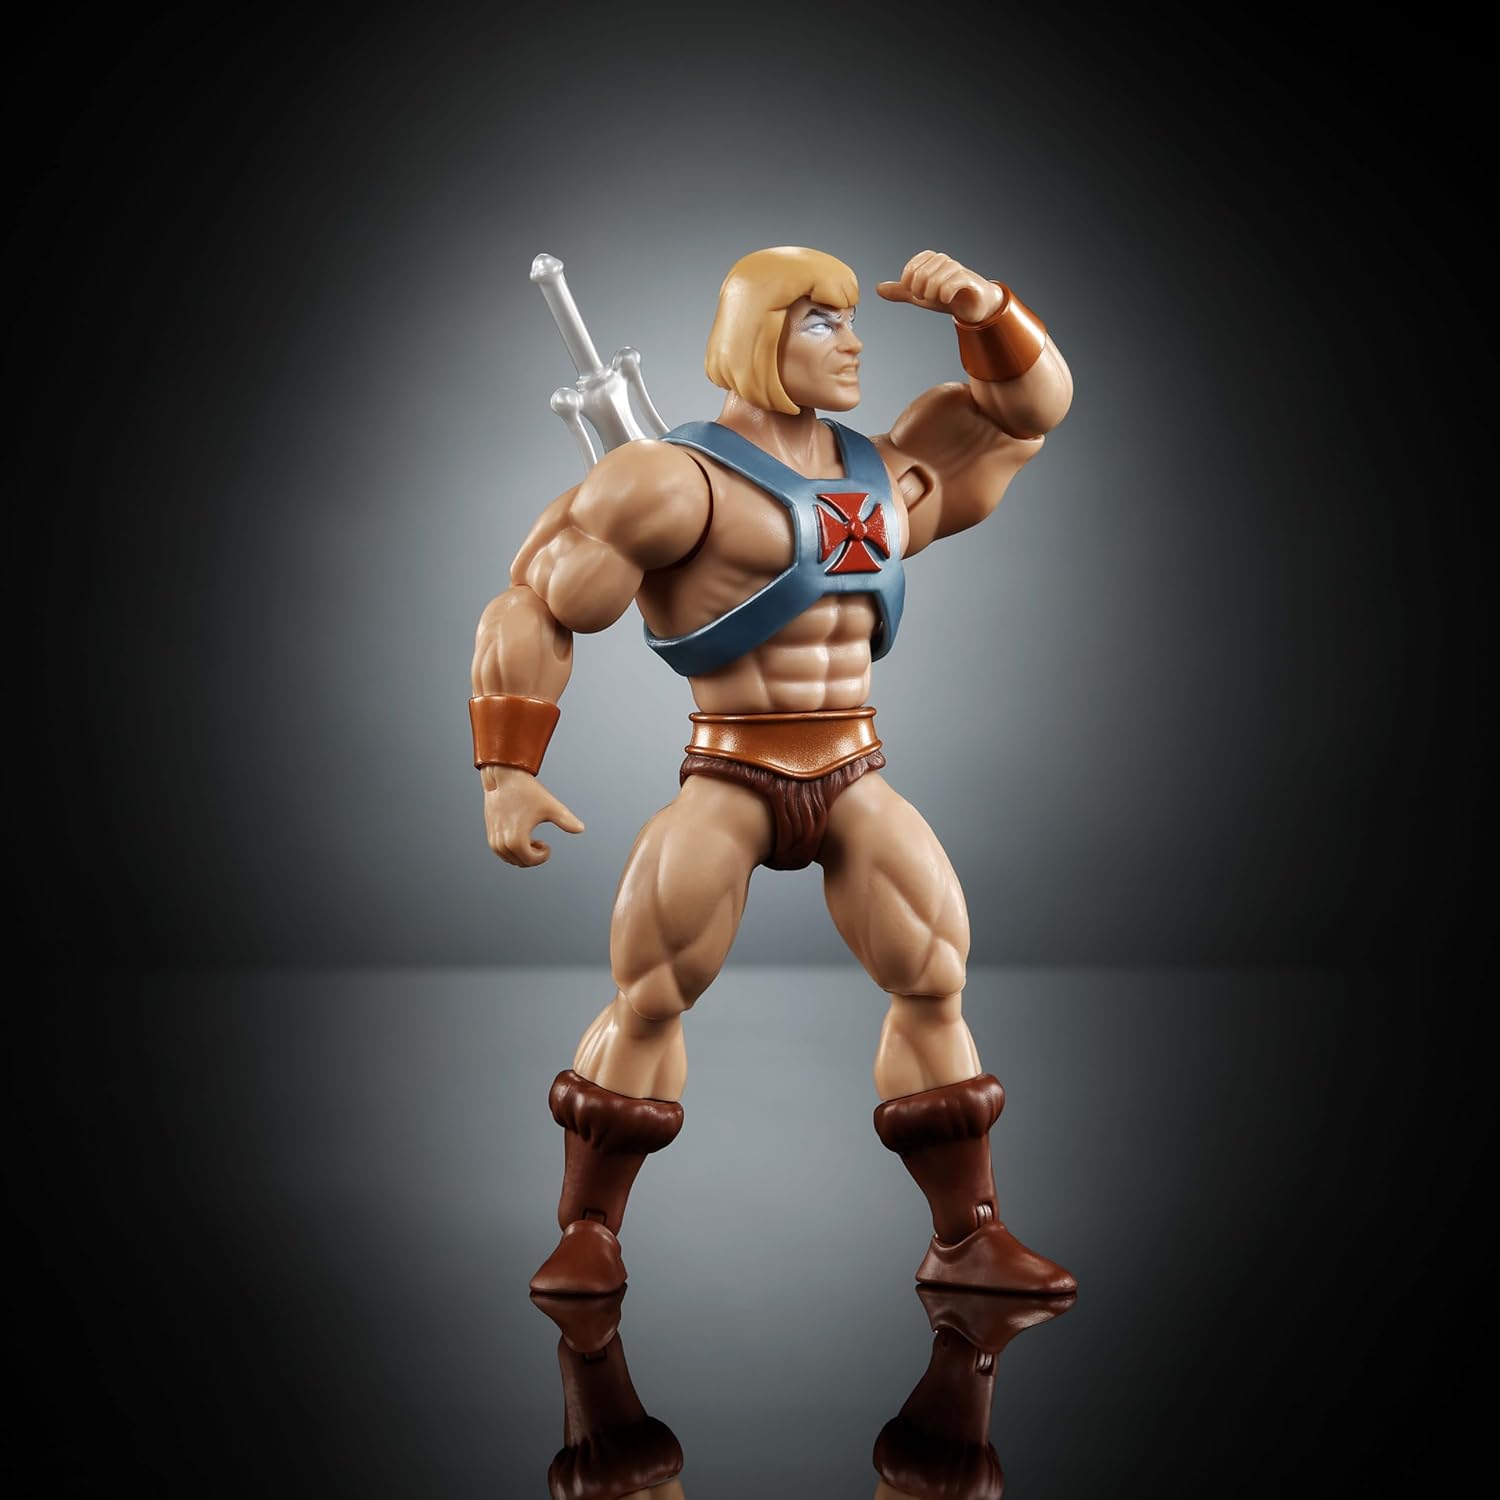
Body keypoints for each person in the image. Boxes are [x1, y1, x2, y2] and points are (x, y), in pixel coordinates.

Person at [469, 247, 1075, 1297]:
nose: (853, 344)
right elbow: (535, 603)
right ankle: (589, 1231)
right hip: (732, 767)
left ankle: (967, 1235)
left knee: (935, 976)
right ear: (759, 338)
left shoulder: (888, 474)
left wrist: (988, 311)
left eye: (851, 320)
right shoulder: (671, 482)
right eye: (821, 322)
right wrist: (506, 770)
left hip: (853, 764)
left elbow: (1025, 417)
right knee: (650, 992)